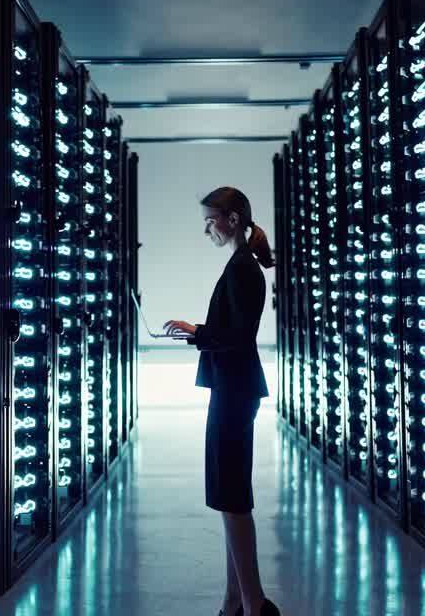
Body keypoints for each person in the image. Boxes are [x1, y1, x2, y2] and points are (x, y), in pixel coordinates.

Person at [164, 186, 281, 616]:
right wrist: (196, 329)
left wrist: (197, 331)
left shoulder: (243, 270)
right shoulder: (240, 266)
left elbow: (238, 337)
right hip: (233, 388)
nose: (206, 230)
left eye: (210, 220)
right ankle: (235, 601)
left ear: (232, 219)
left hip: (235, 390)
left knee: (233, 499)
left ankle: (255, 606)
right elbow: (233, 332)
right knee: (228, 496)